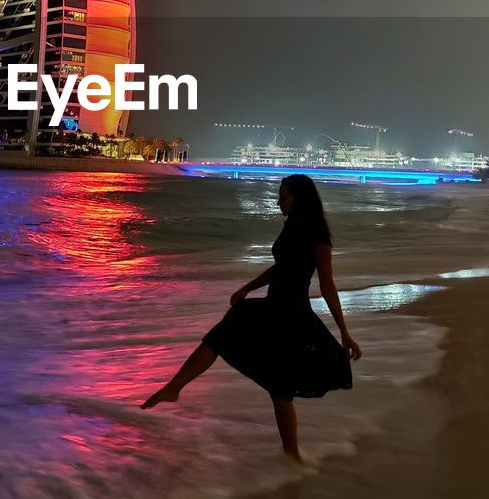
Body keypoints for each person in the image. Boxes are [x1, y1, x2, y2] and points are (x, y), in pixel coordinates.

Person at [141, 174, 361, 462]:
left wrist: (344, 332)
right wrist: (248, 287)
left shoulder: (318, 238)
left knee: (277, 386)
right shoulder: (292, 226)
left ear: (299, 199)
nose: (278, 201)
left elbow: (327, 286)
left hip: (292, 317)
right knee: (226, 343)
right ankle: (174, 388)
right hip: (272, 307)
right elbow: (280, 268)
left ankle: (292, 455)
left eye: (283, 196)